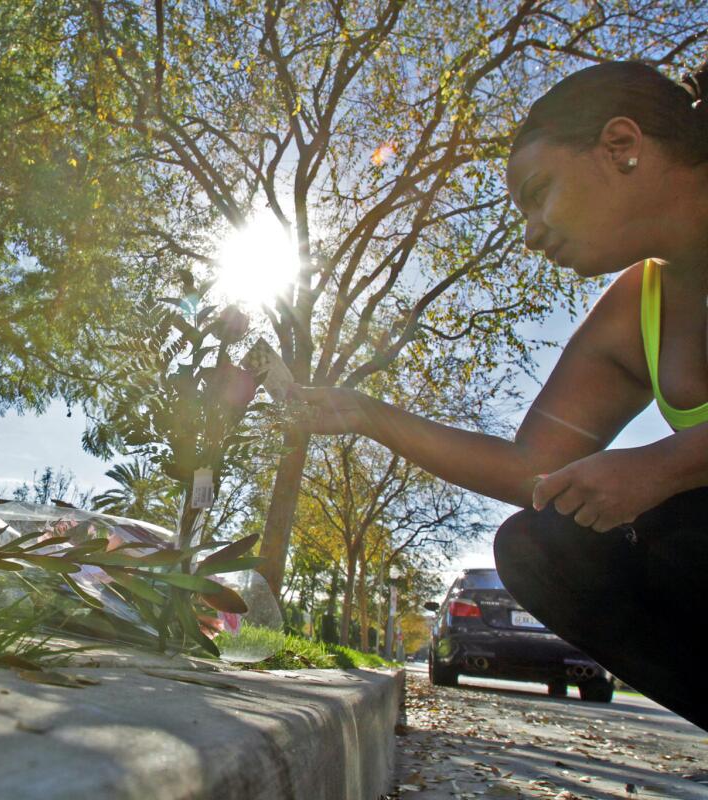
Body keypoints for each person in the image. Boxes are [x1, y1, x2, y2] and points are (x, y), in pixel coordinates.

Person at [296, 61, 708, 731]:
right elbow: (534, 469)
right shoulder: (640, 306)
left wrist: (662, 467)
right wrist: (367, 414)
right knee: (544, 545)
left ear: (622, 147)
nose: (531, 232)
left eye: (539, 192)